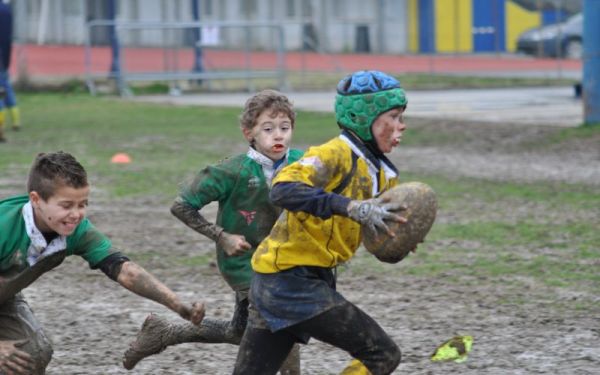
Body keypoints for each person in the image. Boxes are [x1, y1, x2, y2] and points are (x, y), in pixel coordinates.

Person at [232, 70, 410, 375]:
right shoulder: (334, 154)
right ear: (362, 116)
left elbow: (379, 240)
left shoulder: (385, 174)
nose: (401, 125)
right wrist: (351, 207)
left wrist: (400, 241)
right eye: (393, 116)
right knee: (382, 354)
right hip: (287, 281)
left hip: (295, 280)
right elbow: (283, 188)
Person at [122, 90, 303, 374]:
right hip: (245, 263)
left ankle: (164, 333)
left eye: (285, 128)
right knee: (283, 324)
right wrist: (222, 236)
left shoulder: (303, 164)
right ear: (249, 133)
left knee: (240, 332)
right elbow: (181, 206)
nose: (278, 135)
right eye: (268, 129)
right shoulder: (231, 171)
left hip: (284, 262)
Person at [0, 151, 206, 375]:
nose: (76, 214)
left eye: (82, 204)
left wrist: (177, 305)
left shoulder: (75, 232)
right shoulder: (5, 228)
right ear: (36, 200)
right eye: (66, 205)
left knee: (31, 354)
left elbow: (126, 271)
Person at [0, 0, 21, 143]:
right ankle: (16, 121)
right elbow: (7, 39)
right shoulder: (6, 9)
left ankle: (1, 126)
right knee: (6, 86)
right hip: (2, 56)